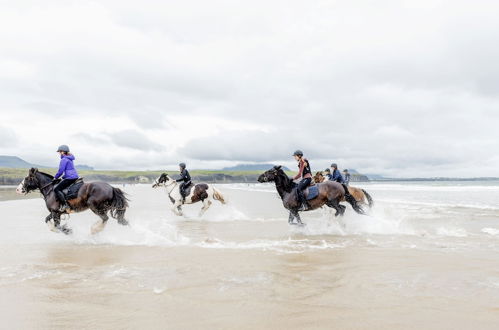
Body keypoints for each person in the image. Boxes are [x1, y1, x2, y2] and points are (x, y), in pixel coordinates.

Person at [53, 145, 79, 212]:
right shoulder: (69, 158)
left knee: (56, 189)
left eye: (59, 152)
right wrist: (63, 177)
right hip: (74, 176)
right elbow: (69, 170)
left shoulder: (64, 159)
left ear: (62, 152)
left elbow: (61, 171)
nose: (59, 153)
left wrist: (55, 178)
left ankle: (65, 205)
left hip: (70, 177)